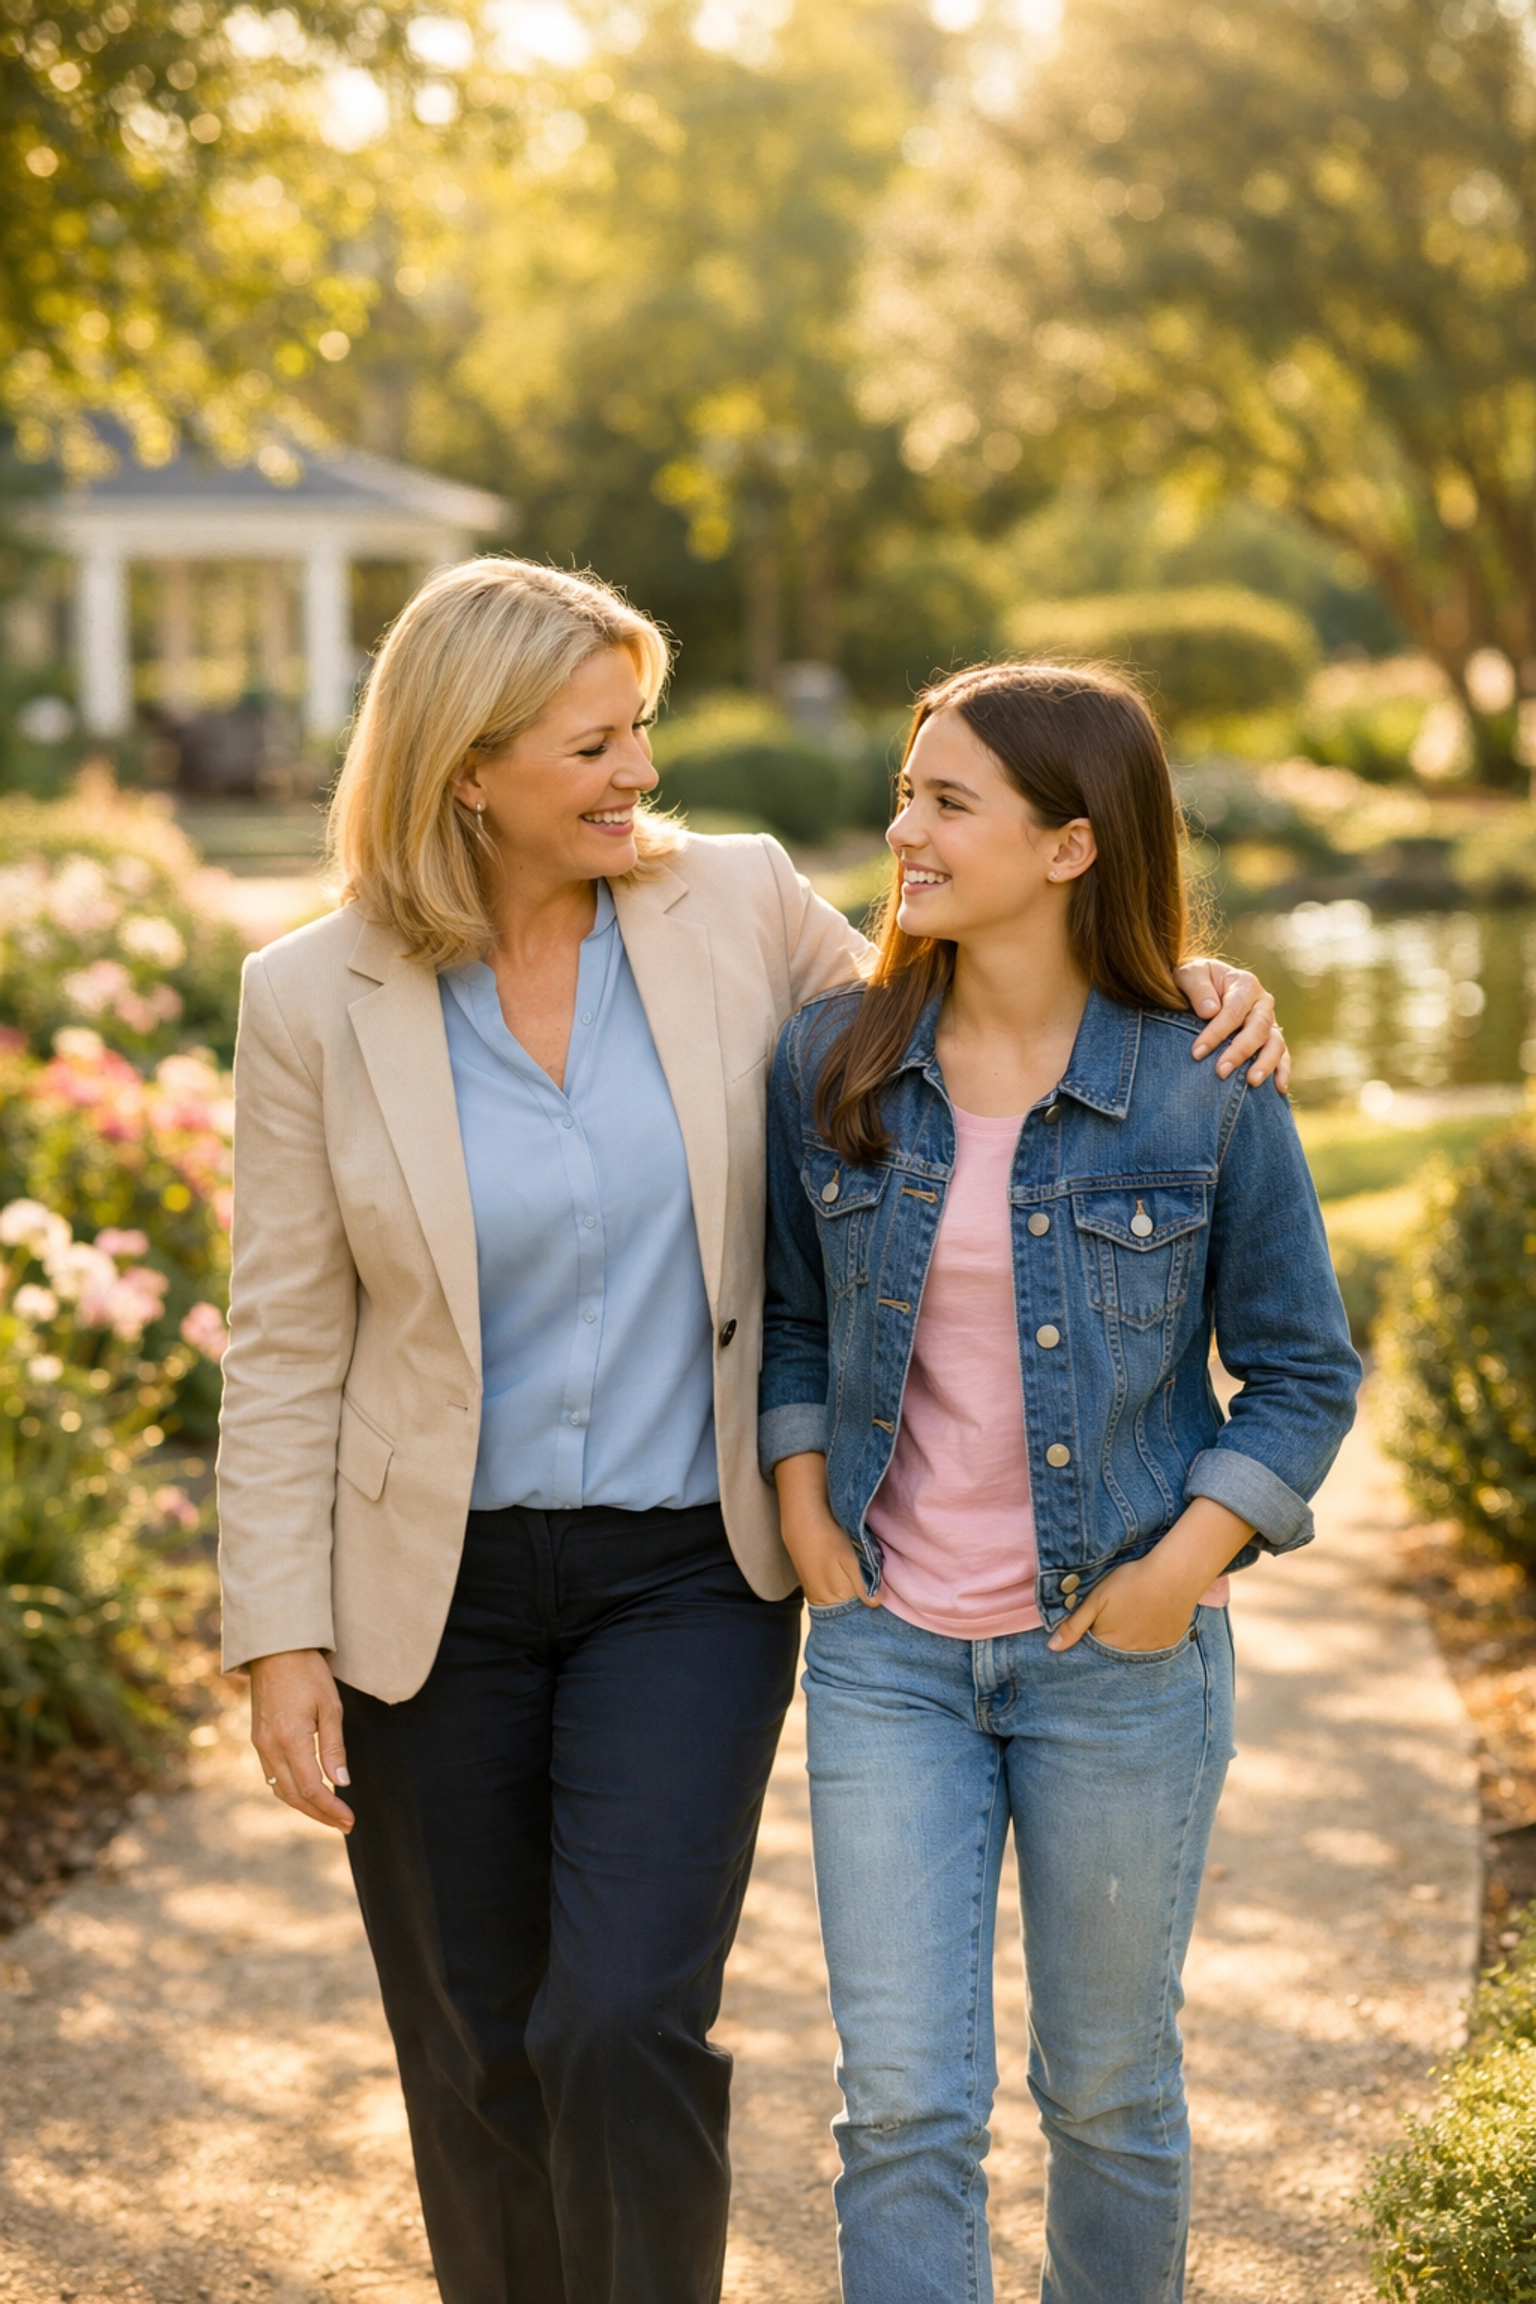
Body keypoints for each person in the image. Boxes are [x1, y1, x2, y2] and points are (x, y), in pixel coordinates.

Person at [216, 561, 1287, 2304]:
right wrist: (277, 1632)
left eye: (639, 727)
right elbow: (281, 1339)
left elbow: (972, 987)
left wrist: (1198, 983)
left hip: (682, 1573)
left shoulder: (732, 905)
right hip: (430, 1590)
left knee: (624, 2011)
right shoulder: (308, 996)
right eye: (596, 743)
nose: (641, 771)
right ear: (464, 767)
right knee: (474, 2043)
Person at [761, 660, 1359, 2304]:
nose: (905, 829)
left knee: (1106, 2095)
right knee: (899, 2110)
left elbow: (1306, 1372)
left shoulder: (1201, 1084)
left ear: (1072, 845)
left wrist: (1181, 1571)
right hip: (886, 1654)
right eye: (908, 790)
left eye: (949, 801)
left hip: (1120, 1664)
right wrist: (806, 1501)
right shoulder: (833, 1063)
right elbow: (795, 1326)